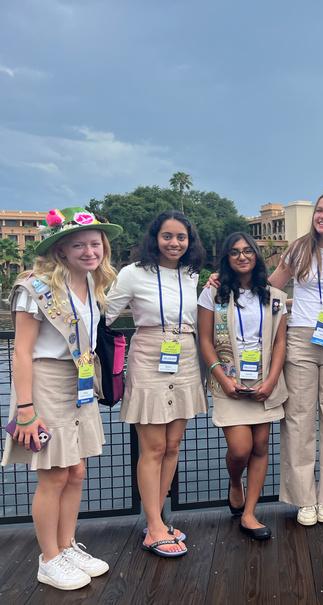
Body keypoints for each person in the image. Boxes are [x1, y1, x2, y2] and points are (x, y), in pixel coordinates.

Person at [2, 207, 121, 589]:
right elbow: (22, 352)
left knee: (76, 471)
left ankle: (67, 545)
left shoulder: (92, 286)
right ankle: (49, 558)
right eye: (79, 245)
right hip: (47, 382)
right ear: (61, 250)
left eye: (95, 244)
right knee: (53, 475)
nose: (90, 251)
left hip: (79, 382)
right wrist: (25, 409)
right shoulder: (34, 288)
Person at [105, 210, 206, 557]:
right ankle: (153, 526)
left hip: (185, 355)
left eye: (181, 237)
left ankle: (157, 521)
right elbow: (105, 314)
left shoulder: (191, 274)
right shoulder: (132, 273)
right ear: (155, 238)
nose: (174, 243)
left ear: (189, 241)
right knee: (153, 447)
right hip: (149, 354)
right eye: (167, 236)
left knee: (173, 445)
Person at [270, 192, 323, 525]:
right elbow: (273, 288)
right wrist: (231, 286)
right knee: (299, 417)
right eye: (319, 210)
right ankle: (304, 499)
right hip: (301, 337)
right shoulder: (298, 249)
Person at [198, 232, 288, 541]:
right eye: (235, 252)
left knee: (260, 446)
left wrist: (272, 381)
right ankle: (235, 481)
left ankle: (249, 513)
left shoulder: (274, 296)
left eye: (248, 251)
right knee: (240, 449)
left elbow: (280, 343)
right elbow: (205, 341)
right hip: (229, 379)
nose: (242, 256)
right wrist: (222, 379)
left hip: (264, 379)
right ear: (226, 258)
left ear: (256, 256)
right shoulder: (213, 294)